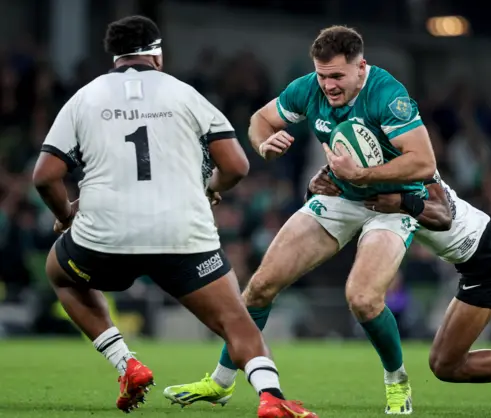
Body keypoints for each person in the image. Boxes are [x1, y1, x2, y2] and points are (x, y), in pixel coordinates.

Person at [32, 15, 317, 417]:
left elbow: (45, 176)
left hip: (104, 236)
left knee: (61, 275)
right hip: (183, 235)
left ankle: (127, 364)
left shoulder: (85, 97)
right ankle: (271, 397)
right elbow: (236, 166)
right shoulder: (186, 95)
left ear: (114, 57)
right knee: (236, 322)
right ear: (158, 55)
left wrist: (65, 215)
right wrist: (212, 189)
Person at [164, 25, 439, 415]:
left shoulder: (387, 95)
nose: (327, 85)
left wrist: (359, 175)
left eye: (337, 76)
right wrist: (263, 143)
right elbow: (261, 119)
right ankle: (221, 382)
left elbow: (424, 162)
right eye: (322, 75)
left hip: (391, 203)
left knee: (362, 299)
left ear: (361, 67)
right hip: (340, 197)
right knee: (259, 286)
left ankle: (397, 382)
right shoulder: (308, 87)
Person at [308, 167, 491, 412]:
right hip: (483, 244)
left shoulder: (410, 162)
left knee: (446, 364)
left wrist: (401, 202)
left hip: (486, 256)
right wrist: (315, 190)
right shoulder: (393, 159)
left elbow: (441, 215)